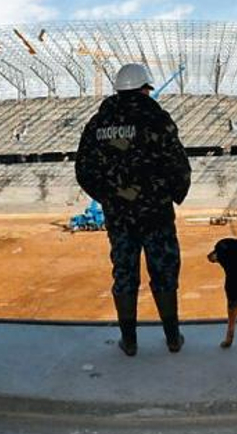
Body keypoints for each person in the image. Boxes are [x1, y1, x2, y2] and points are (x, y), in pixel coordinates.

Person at [75, 63, 191, 356]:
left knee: (124, 274)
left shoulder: (97, 123)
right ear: (144, 87)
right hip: (156, 215)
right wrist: (173, 194)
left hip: (119, 217)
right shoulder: (155, 117)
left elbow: (83, 170)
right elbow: (178, 163)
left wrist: (108, 197)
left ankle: (129, 342)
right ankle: (173, 338)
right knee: (164, 272)